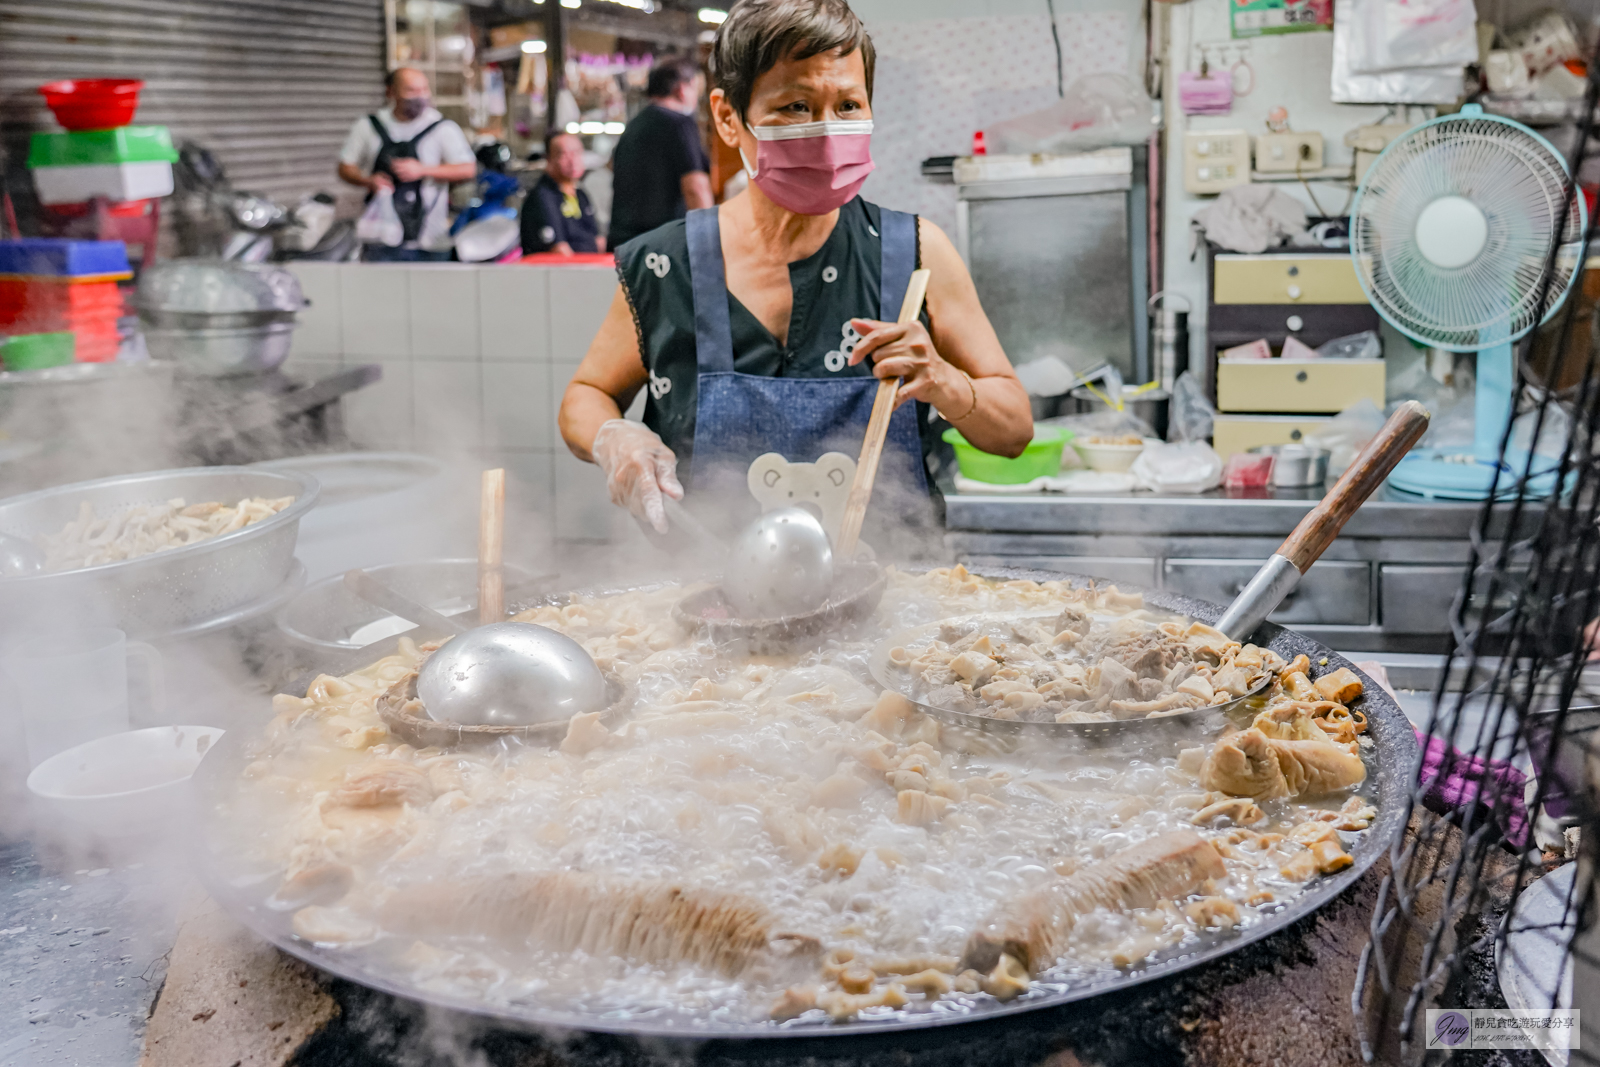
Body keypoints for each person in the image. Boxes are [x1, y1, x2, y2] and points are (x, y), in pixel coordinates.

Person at [558, 0, 1031, 549]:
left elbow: (1014, 431)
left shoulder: (918, 253)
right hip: (705, 610)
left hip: (895, 616)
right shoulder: (666, 265)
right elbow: (586, 395)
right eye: (796, 106)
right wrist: (613, 436)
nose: (827, 133)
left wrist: (944, 381)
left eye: (849, 105)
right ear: (728, 117)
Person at [337, 68, 477, 261]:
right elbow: (345, 167)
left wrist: (423, 170)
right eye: (411, 91)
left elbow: (468, 169)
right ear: (391, 92)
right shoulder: (369, 126)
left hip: (431, 239)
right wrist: (367, 180)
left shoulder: (443, 128)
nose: (420, 97)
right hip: (380, 239)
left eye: (424, 90)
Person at [606, 57, 716, 249]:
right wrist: (710, 243)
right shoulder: (680, 124)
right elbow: (695, 187)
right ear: (682, 89)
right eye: (695, 90)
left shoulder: (633, 126)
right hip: (663, 247)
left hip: (624, 245)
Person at [521, 131, 604, 256]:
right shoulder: (542, 197)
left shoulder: (580, 194)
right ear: (549, 159)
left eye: (577, 153)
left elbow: (598, 240)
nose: (572, 160)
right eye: (564, 154)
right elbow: (559, 249)